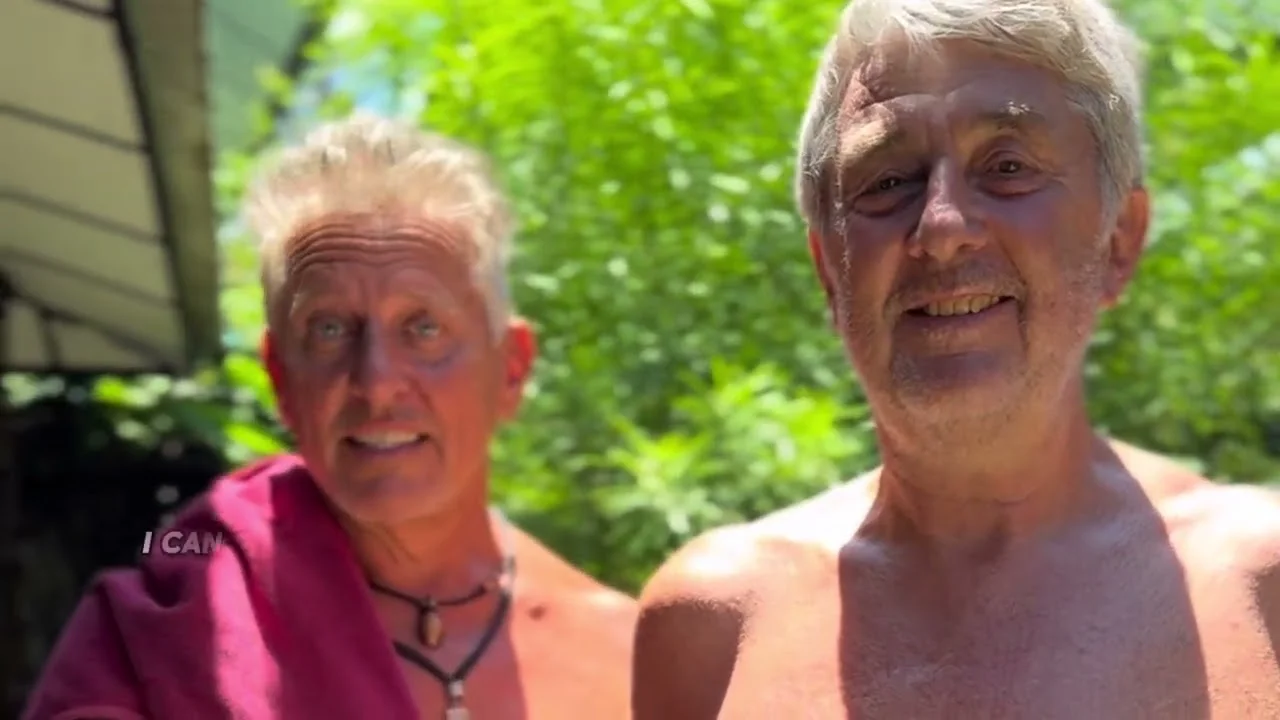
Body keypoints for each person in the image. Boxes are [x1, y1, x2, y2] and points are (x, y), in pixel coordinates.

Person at [631, 0, 1280, 717]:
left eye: (1008, 167)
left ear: (1119, 241)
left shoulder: (1262, 583)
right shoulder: (716, 620)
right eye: (887, 181)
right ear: (828, 271)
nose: (941, 228)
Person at [25, 116, 635, 719]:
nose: (376, 382)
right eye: (329, 330)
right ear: (280, 379)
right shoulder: (164, 630)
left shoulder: (628, 656)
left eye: (424, 328)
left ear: (511, 370)